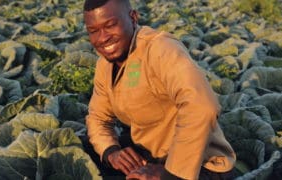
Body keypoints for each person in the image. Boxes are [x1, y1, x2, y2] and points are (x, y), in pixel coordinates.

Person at [82, 0, 236, 179]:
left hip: (197, 165)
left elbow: (201, 106)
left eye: (110, 25)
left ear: (133, 18)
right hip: (148, 156)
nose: (102, 38)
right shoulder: (105, 64)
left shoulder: (160, 49)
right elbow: (98, 117)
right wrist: (111, 152)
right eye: (93, 31)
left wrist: (171, 173)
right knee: (79, 148)